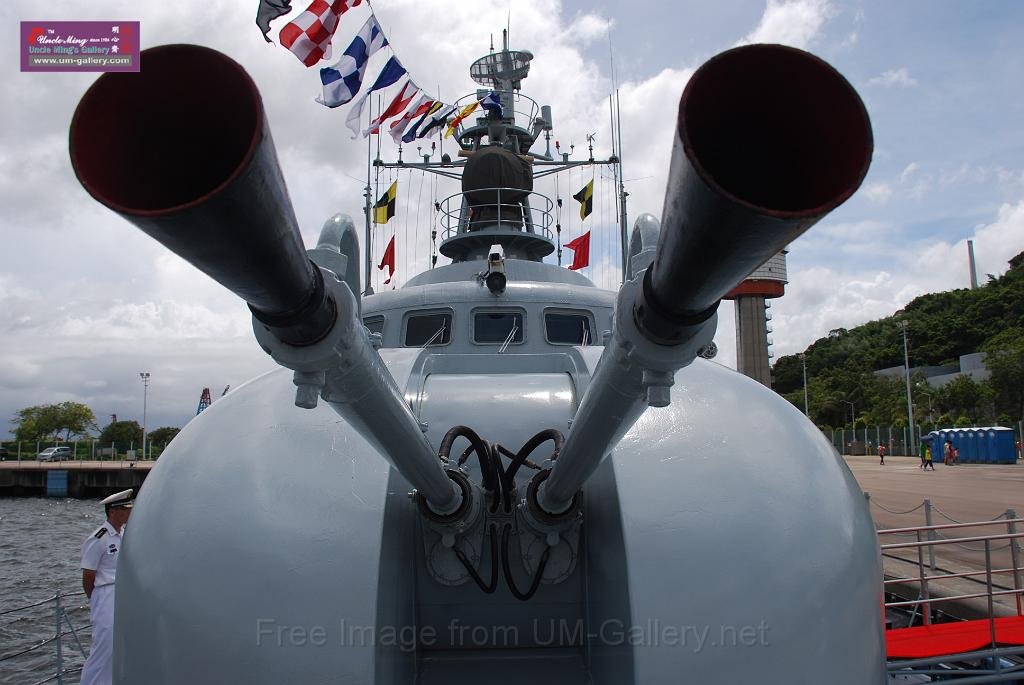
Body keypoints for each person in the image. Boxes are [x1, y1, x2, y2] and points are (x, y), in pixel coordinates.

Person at [80, 489, 133, 685]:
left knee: (119, 646)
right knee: (104, 648)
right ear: (113, 511)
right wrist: (96, 598)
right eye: (125, 509)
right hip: (105, 594)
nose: (129, 513)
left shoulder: (124, 534)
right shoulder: (99, 538)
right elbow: (88, 576)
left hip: (121, 593)